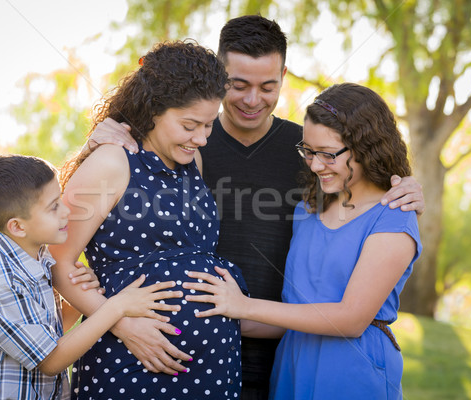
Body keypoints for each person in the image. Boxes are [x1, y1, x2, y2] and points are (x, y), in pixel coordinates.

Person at [86, 14, 425, 399]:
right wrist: (100, 139)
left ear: (284, 74)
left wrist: (405, 186)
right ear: (218, 77)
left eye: (267, 86)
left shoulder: (311, 151)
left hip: (282, 357)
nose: (252, 100)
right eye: (238, 84)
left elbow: (364, 194)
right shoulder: (184, 141)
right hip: (186, 357)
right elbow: (114, 195)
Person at [183, 82, 423, 399]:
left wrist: (244, 304)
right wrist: (214, 312)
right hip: (291, 368)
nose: (314, 164)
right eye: (308, 151)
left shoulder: (394, 215)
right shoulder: (307, 210)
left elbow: (350, 319)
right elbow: (293, 315)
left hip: (351, 372)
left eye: (327, 154)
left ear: (367, 148)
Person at [49, 40, 248, 399]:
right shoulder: (112, 161)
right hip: (130, 359)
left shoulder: (192, 163)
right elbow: (57, 262)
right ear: (154, 109)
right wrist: (123, 325)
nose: (201, 138)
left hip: (211, 366)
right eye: (190, 125)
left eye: (208, 125)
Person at [0, 154, 181, 399]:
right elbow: (50, 360)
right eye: (54, 207)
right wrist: (116, 307)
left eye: (61, 199)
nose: (66, 212)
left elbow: (47, 331)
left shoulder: (34, 255)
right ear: (18, 227)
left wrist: (75, 303)